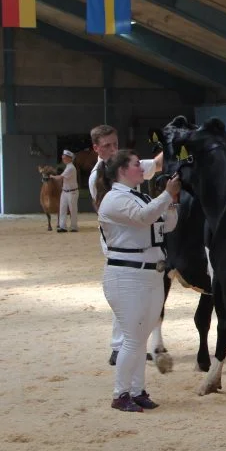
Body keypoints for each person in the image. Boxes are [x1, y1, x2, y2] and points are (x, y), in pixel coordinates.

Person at [98, 150, 182, 411]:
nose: (142, 168)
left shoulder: (141, 197)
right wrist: (166, 194)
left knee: (141, 337)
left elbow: (166, 225)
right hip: (127, 274)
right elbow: (144, 217)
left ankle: (137, 390)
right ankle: (120, 394)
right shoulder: (113, 199)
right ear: (123, 170)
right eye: (136, 165)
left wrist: (171, 202)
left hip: (151, 273)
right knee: (133, 338)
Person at [88, 124, 163, 367]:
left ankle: (128, 344)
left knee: (137, 297)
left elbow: (158, 164)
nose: (112, 149)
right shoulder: (98, 176)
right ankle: (119, 346)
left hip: (138, 238)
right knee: (127, 297)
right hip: (120, 242)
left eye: (115, 144)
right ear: (96, 148)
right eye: (107, 145)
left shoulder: (129, 165)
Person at [54, 149, 79, 232]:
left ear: (70, 159)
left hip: (72, 192)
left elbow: (60, 177)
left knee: (73, 210)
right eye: (63, 157)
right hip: (65, 191)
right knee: (62, 209)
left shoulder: (71, 168)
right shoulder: (68, 167)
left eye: (65, 158)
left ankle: (74, 227)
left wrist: (50, 177)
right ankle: (62, 226)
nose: (63, 158)